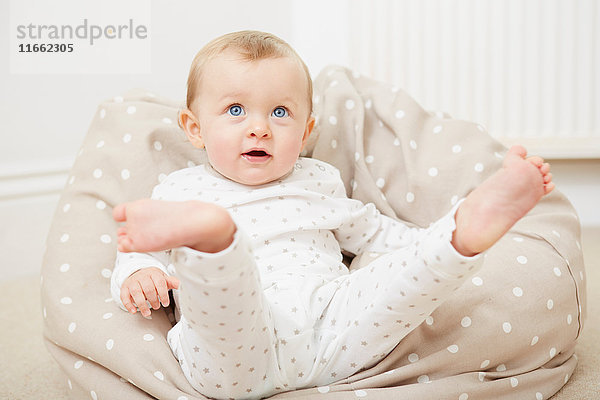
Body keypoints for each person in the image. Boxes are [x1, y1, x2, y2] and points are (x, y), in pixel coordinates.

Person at [110, 30, 554, 400]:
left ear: (305, 132)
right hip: (234, 356)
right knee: (221, 296)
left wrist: (422, 242)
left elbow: (373, 233)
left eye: (280, 112)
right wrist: (139, 272)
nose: (259, 127)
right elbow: (136, 253)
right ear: (194, 128)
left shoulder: (317, 179)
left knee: (393, 289)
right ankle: (215, 242)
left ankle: (459, 236)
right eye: (235, 110)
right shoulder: (180, 191)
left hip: (329, 328)